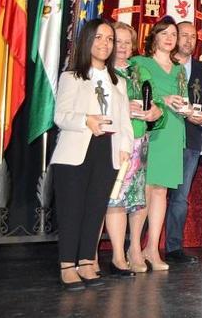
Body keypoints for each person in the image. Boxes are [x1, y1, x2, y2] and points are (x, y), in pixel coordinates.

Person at [51, 19, 132, 290]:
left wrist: (125, 147)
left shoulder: (118, 81)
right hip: (76, 150)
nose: (105, 44)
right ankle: (67, 265)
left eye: (110, 39)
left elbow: (125, 120)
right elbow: (60, 116)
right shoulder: (72, 76)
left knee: (96, 208)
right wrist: (87, 120)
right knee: (72, 209)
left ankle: (87, 261)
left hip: (107, 150)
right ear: (87, 41)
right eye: (99, 38)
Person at [130, 16, 191, 270]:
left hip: (174, 130)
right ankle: (134, 248)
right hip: (151, 129)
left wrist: (190, 111)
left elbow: (184, 99)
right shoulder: (139, 62)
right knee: (144, 191)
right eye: (164, 33)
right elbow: (137, 94)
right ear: (153, 36)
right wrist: (164, 99)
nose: (169, 38)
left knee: (161, 192)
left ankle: (152, 249)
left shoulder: (179, 69)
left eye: (174, 34)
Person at [103, 22, 163, 276]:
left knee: (138, 200)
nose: (123, 46)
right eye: (118, 41)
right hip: (112, 142)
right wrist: (122, 109)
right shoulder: (101, 72)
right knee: (113, 198)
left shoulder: (139, 71)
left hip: (140, 142)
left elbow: (157, 104)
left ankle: (135, 249)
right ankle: (116, 255)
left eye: (128, 42)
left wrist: (154, 112)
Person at [164, 21, 202, 264]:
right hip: (162, 138)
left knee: (180, 197)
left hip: (190, 140)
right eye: (183, 35)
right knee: (151, 194)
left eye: (193, 36)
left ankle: (173, 248)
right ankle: (138, 247)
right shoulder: (162, 65)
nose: (188, 40)